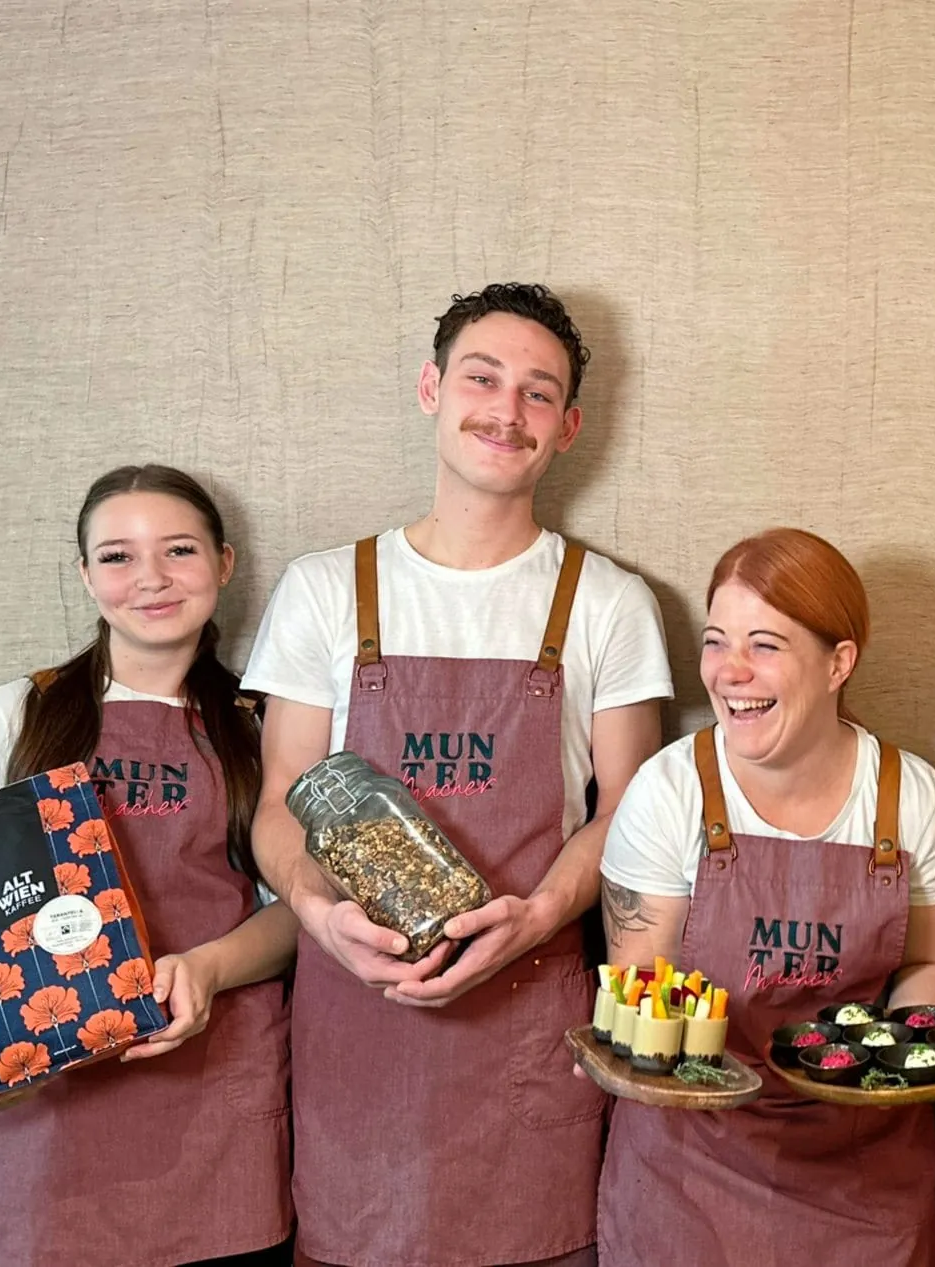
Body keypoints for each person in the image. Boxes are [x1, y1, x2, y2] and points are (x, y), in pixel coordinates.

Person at [243, 284, 673, 1267]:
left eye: (536, 392)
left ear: (567, 426)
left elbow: (634, 814)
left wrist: (536, 914)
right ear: (432, 387)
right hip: (357, 1018)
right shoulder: (324, 589)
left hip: (528, 1015)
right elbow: (278, 803)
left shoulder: (607, 602)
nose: (504, 410)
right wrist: (318, 912)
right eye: (483, 378)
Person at [0, 464, 295, 1266]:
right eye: (118, 557)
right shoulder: (11, 719)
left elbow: (300, 911)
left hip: (221, 1105)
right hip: (53, 1113)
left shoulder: (266, 726)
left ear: (224, 563)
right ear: (84, 574)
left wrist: (204, 967)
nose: (152, 580)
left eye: (178, 550)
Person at [595, 528, 935, 1267]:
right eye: (715, 640)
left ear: (839, 662)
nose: (730, 671)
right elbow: (645, 982)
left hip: (866, 1176)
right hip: (688, 1170)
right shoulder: (670, 792)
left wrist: (878, 1059)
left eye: (765, 644)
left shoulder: (911, 798)